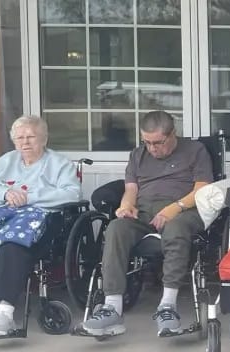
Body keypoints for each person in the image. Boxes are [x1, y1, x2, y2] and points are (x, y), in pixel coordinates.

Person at [79, 111, 213, 337]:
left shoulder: (194, 151)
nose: (152, 148)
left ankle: (167, 306)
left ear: (173, 135)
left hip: (184, 210)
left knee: (176, 228)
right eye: (147, 142)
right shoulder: (138, 155)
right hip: (144, 213)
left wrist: (172, 210)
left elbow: (202, 188)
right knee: (115, 228)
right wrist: (126, 206)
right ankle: (112, 307)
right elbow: (131, 188)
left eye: (158, 143)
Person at [0, 115, 80, 338]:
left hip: (36, 219)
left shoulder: (59, 164)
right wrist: (4, 193)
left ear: (44, 138)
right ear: (14, 141)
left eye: (31, 137)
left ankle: (4, 315)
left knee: (11, 244)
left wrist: (30, 197)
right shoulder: (6, 161)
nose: (25, 142)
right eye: (20, 138)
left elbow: (71, 193)